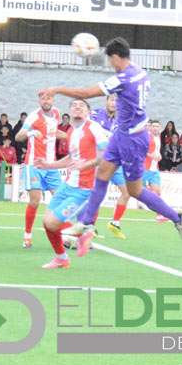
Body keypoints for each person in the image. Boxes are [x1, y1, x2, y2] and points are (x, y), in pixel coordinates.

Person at [39, 36, 182, 254]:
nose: (110, 65)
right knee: (102, 174)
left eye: (110, 60)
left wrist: (58, 89)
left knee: (135, 190)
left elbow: (86, 94)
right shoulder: (140, 71)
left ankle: (178, 218)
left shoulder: (124, 78)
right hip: (122, 134)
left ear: (117, 57)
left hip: (132, 139)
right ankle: (86, 223)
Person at [33, 99, 107, 269]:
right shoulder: (72, 131)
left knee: (52, 223)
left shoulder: (93, 128)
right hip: (68, 185)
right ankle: (61, 258)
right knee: (46, 222)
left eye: (82, 105)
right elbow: (71, 159)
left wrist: (86, 165)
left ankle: (85, 230)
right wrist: (48, 164)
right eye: (74, 105)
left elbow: (106, 154)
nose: (78, 107)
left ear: (88, 112)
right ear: (69, 111)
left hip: (84, 188)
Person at [14, 93, 64, 248]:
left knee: (61, 199)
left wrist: (70, 136)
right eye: (43, 99)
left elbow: (54, 132)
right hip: (34, 165)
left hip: (51, 165)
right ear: (39, 101)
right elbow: (18, 137)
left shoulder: (56, 113)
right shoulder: (33, 117)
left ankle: (63, 234)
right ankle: (27, 235)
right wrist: (30, 133)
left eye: (49, 99)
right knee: (35, 201)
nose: (46, 101)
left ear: (53, 100)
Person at [88, 94, 131, 238]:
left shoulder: (121, 120)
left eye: (117, 101)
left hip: (115, 162)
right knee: (97, 195)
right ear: (106, 101)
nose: (114, 103)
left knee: (127, 192)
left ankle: (115, 223)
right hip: (98, 162)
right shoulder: (94, 115)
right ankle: (90, 226)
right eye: (112, 100)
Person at [143, 120, 166, 219]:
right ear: (150, 127)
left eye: (157, 126)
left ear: (160, 128)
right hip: (144, 168)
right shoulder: (147, 137)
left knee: (157, 192)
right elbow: (140, 150)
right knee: (139, 191)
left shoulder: (159, 137)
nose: (155, 128)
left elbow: (156, 151)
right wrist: (151, 155)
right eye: (153, 126)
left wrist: (158, 155)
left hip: (154, 169)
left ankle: (159, 214)